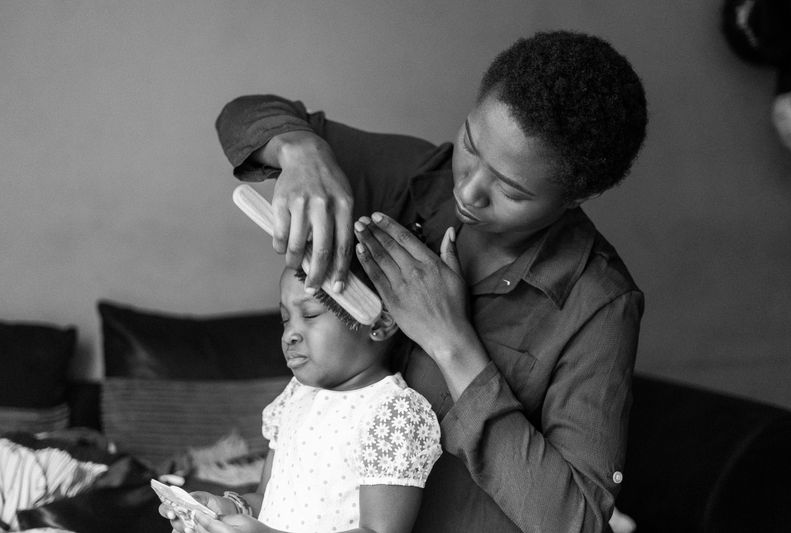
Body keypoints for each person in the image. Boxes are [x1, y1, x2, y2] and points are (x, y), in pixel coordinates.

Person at [214, 30, 648, 532]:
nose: (468, 188)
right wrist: (300, 151)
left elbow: (577, 522)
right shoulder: (414, 177)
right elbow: (243, 114)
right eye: (471, 143)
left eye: (510, 190)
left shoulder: (598, 304)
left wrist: (451, 342)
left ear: (574, 198)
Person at [160, 268, 442, 533]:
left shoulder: (393, 413)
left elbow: (379, 530)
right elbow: (265, 501)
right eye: (285, 319)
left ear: (379, 323)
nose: (289, 335)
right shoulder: (296, 396)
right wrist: (222, 509)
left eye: (310, 314)